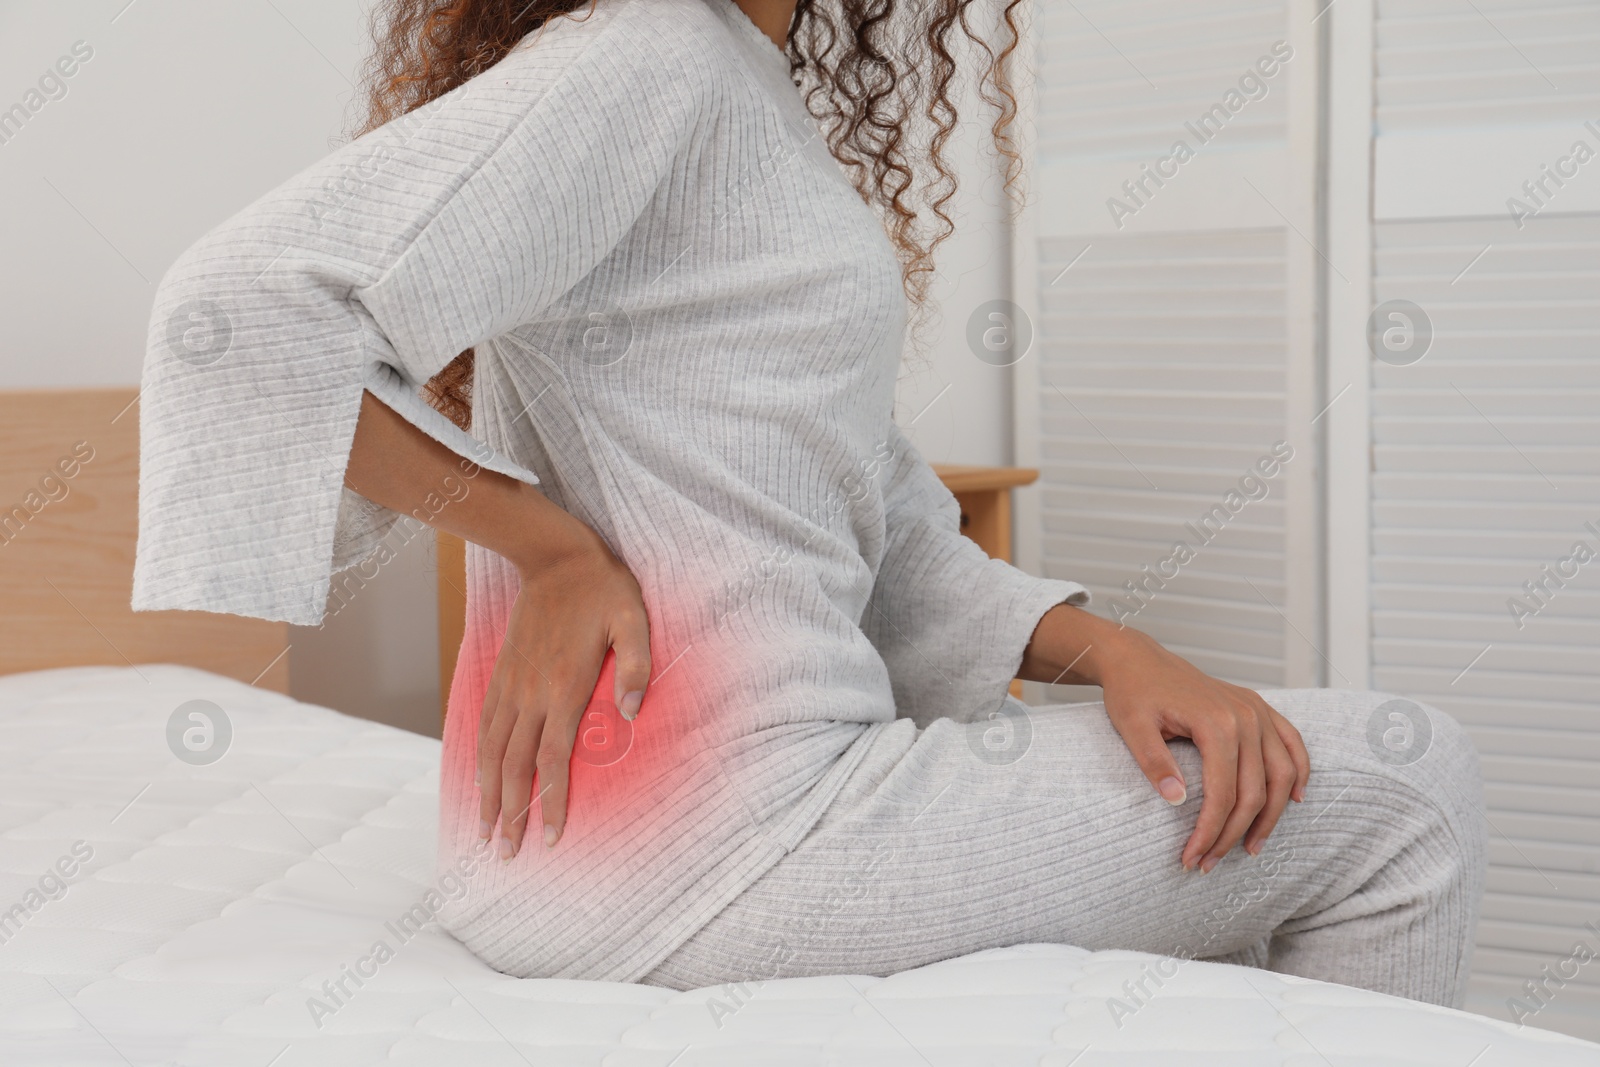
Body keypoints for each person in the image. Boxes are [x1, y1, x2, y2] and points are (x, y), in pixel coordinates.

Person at [134, 0, 1485, 1005]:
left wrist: (1120, 655)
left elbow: (877, 522)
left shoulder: (736, 91)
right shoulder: (653, 53)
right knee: (1408, 787)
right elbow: (239, 311)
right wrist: (549, 555)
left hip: (574, 852)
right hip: (718, 834)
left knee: (1269, 826)